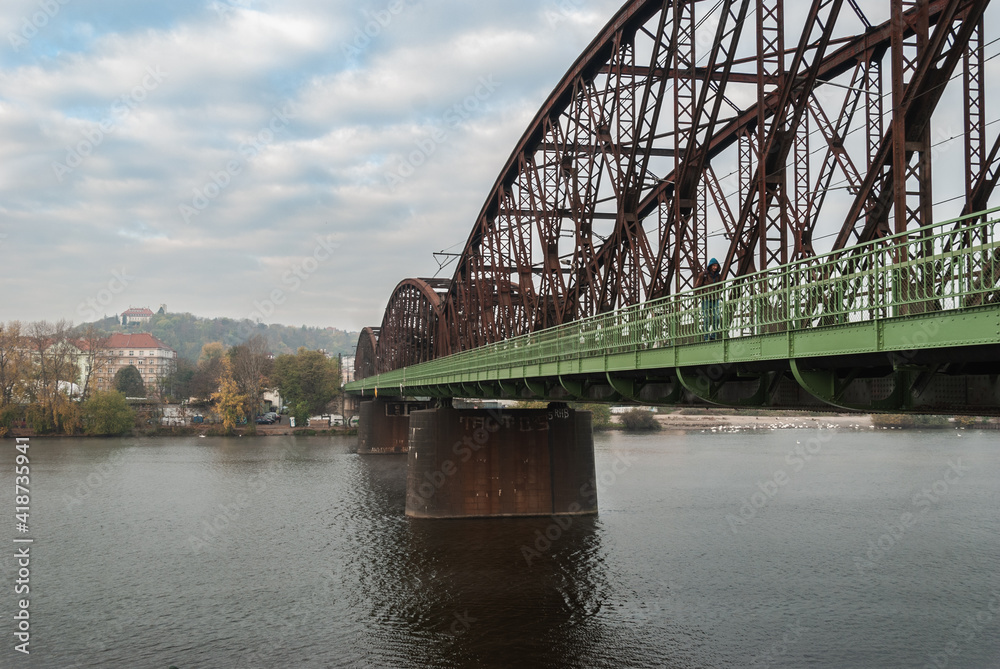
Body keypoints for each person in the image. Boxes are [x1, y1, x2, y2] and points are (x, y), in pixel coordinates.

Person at [694, 258, 723, 340]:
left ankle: (713, 335)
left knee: (717, 317)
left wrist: (718, 293)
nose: (715, 267)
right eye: (713, 266)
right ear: (710, 266)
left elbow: (720, 286)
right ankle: (706, 336)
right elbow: (696, 288)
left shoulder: (718, 276)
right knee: (706, 318)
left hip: (715, 299)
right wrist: (702, 295)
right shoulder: (703, 275)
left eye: (716, 266)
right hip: (706, 299)